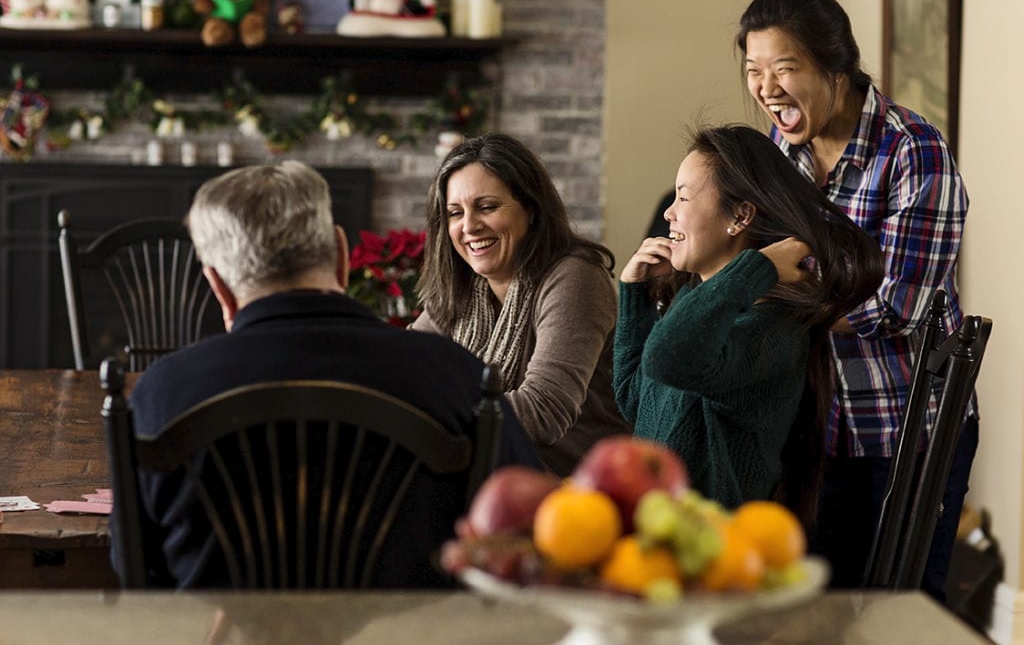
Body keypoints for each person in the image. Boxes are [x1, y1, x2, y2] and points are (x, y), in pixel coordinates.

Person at [111, 160, 539, 589]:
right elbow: (529, 526)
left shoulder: (162, 391)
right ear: (340, 255)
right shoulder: (457, 376)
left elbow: (133, 561)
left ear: (218, 287)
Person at [737, 0, 973, 600]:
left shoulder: (913, 151)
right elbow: (759, 258)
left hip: (905, 427)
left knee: (901, 609)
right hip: (819, 422)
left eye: (785, 68)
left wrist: (774, 303)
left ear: (836, 66)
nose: (766, 88)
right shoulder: (778, 150)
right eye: (754, 71)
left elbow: (896, 304)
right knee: (818, 608)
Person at [614, 124, 883, 524]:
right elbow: (635, 401)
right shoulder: (695, 300)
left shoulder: (771, 327)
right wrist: (633, 294)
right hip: (658, 530)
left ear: (740, 216)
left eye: (683, 197)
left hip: (711, 551)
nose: (668, 212)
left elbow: (668, 358)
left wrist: (755, 269)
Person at [412, 133, 630, 476]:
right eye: (455, 213)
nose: (469, 226)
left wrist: (433, 416)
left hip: (579, 490)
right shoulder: (461, 286)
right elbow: (407, 371)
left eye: (487, 207)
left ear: (530, 208)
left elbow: (544, 411)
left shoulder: (575, 276)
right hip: (495, 476)